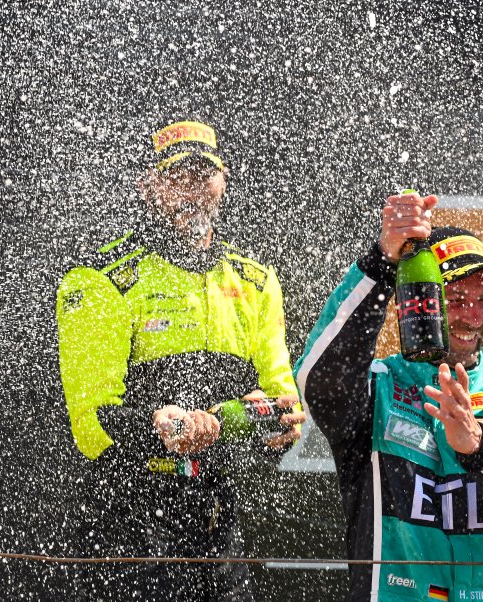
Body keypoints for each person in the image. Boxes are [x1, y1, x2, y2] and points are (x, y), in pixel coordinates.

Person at [56, 119, 305, 600]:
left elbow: (284, 401)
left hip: (219, 516)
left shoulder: (255, 281)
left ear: (224, 181)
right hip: (130, 519)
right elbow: (89, 421)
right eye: (176, 177)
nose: (192, 190)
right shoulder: (101, 279)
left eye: (203, 175)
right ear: (148, 185)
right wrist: (158, 425)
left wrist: (275, 421)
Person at [294, 192, 483, 602]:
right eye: (457, 300)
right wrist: (380, 264)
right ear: (418, 301)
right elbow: (316, 379)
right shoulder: (378, 387)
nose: (473, 316)